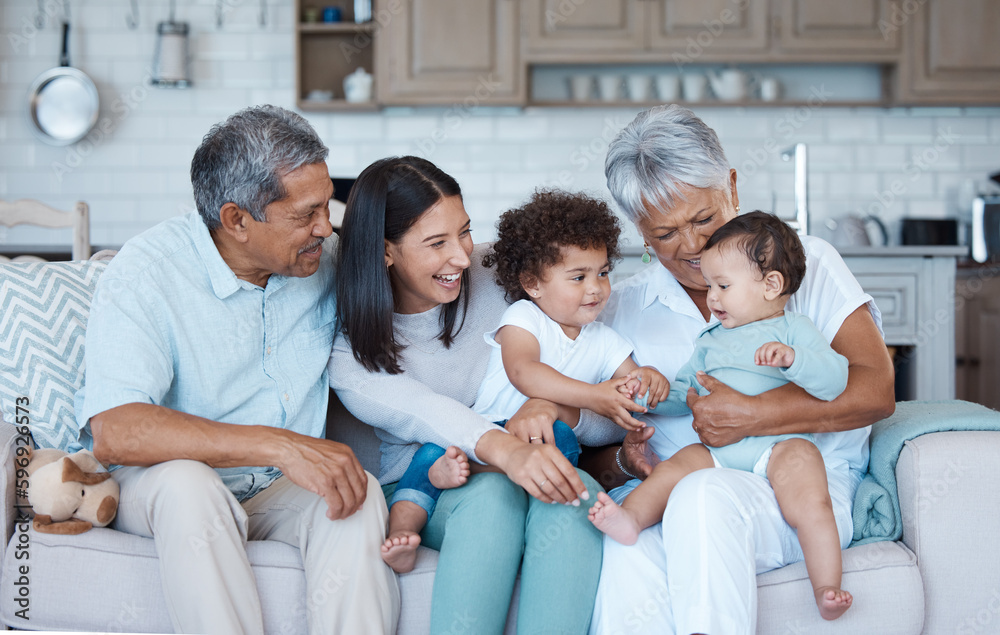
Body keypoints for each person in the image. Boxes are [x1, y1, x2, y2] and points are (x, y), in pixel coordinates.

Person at [75, 106, 399, 635]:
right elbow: (116, 431)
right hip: (159, 483)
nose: (325, 227)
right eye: (305, 215)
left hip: (274, 487)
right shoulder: (148, 273)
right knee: (189, 486)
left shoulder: (325, 260)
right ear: (236, 220)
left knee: (355, 492)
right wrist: (278, 444)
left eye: (327, 207)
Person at [586, 104, 895, 635]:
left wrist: (754, 415)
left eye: (704, 219)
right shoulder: (621, 308)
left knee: (702, 497)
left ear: (731, 184)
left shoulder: (806, 264)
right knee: (626, 549)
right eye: (663, 234)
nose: (691, 247)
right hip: (677, 487)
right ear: (638, 228)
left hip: (797, 493)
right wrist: (624, 459)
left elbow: (876, 391)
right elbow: (588, 443)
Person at [329, 157, 624, 633]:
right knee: (490, 497)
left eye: (464, 232)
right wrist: (507, 451)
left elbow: (603, 390)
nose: (463, 258)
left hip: (533, 455)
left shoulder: (507, 276)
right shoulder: (352, 351)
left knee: (577, 495)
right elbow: (428, 413)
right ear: (386, 251)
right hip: (429, 485)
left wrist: (553, 405)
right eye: (437, 243)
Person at [380, 190, 669, 574]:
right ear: (533, 284)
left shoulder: (605, 340)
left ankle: (502, 484)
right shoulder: (523, 318)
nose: (596, 287)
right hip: (487, 431)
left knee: (563, 440)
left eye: (602, 272)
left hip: (543, 441)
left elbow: (630, 385)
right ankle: (403, 533)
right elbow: (524, 372)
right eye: (578, 277)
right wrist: (594, 396)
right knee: (430, 454)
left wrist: (648, 380)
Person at [589, 211, 853, 621]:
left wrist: (795, 361)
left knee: (811, 498)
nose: (712, 298)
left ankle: (827, 586)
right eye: (710, 286)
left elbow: (835, 380)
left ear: (771, 285)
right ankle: (630, 520)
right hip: (720, 451)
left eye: (723, 286)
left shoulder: (793, 330)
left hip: (779, 446)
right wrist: (652, 392)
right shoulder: (710, 340)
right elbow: (686, 393)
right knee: (676, 468)